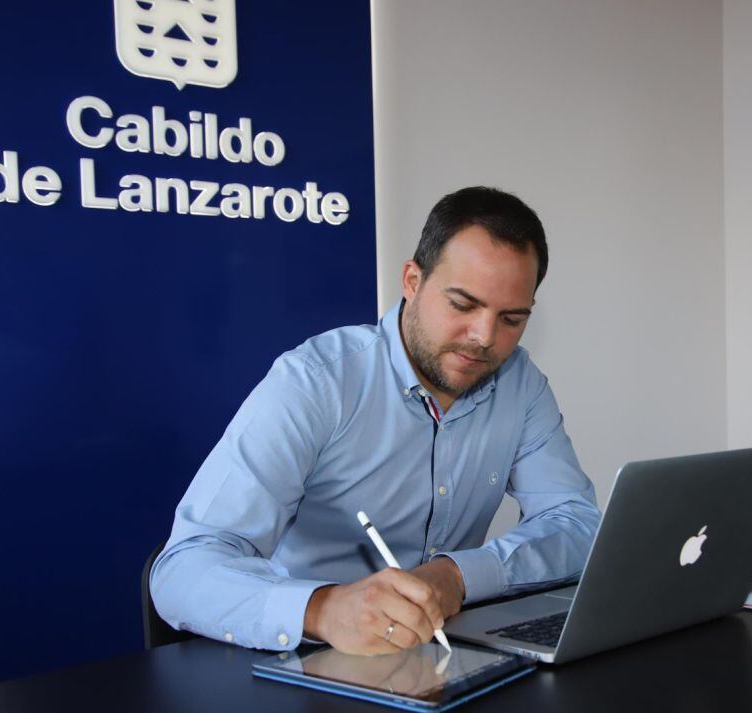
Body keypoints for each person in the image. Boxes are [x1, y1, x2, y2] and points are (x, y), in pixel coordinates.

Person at [150, 187, 601, 656]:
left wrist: (457, 575)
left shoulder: (520, 383)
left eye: (511, 318)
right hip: (309, 662)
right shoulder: (316, 382)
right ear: (411, 280)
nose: (484, 338)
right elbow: (182, 569)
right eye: (463, 305)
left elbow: (576, 523)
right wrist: (321, 608)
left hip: (442, 658)